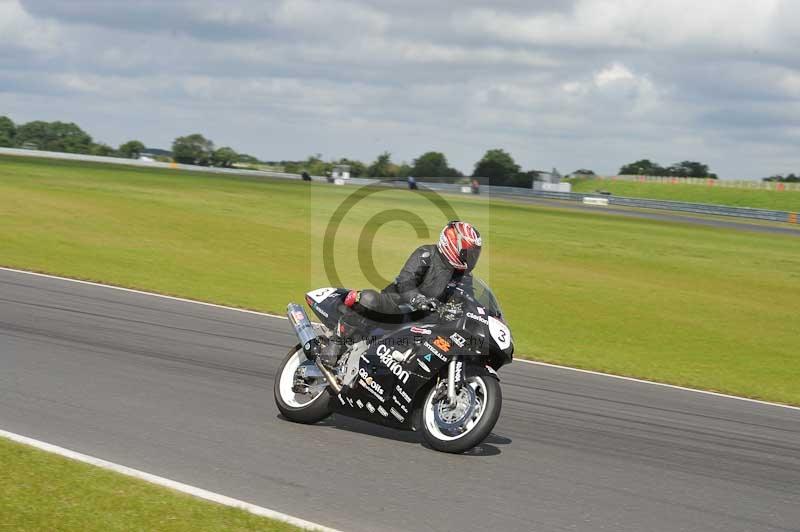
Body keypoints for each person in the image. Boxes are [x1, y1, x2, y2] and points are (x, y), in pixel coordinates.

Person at [319, 220, 482, 366]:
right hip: (396, 306)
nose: (471, 258)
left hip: (428, 320)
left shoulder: (463, 276)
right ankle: (336, 343)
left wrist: (484, 315)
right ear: (453, 245)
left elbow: (470, 300)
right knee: (369, 299)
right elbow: (405, 281)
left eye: (474, 254)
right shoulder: (426, 255)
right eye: (468, 253)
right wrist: (418, 299)